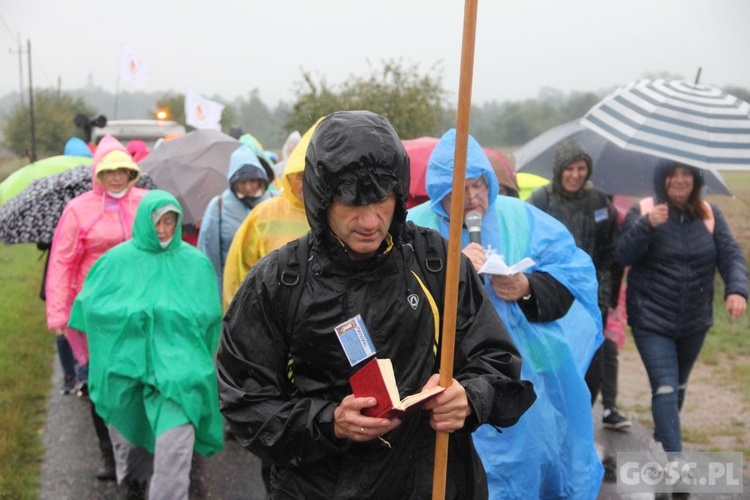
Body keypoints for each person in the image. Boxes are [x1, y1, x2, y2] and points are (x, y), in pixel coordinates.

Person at [216, 110, 536, 499]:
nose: (370, 221)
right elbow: (244, 402)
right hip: (318, 489)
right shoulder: (278, 282)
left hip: (431, 484)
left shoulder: (436, 260)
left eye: (382, 200)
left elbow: (497, 361)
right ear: (321, 199)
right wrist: (328, 421)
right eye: (351, 203)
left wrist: (470, 398)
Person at [408, 129, 604, 499]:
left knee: (528, 471)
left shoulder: (520, 217)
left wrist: (527, 287)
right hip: (444, 381)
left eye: (479, 185)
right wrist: (450, 274)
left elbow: (571, 275)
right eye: (461, 190)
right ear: (439, 192)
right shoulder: (413, 229)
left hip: (523, 378)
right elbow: (393, 300)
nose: (473, 198)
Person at [68, 190, 224, 499]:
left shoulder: (194, 263)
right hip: (128, 369)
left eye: (170, 221)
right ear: (143, 222)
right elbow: (90, 309)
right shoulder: (116, 261)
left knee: (173, 455)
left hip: (179, 374)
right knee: (132, 449)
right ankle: (135, 486)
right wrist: (135, 316)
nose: (163, 230)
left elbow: (209, 316)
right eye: (157, 222)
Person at [616, 160, 748, 454]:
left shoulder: (710, 214)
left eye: (686, 173)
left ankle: (662, 440)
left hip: (695, 320)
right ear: (661, 179)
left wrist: (736, 290)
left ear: (696, 179)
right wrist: (646, 226)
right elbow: (623, 254)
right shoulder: (644, 210)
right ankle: (675, 461)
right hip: (651, 318)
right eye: (672, 174)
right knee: (664, 386)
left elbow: (731, 256)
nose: (679, 180)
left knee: (677, 388)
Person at [46, 134, 147, 481]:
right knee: (100, 382)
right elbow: (61, 262)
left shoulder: (147, 203)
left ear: (132, 172)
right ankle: (110, 456)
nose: (116, 177)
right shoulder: (78, 209)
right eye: (108, 171)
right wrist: (59, 314)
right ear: (98, 174)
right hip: (95, 315)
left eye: (122, 170)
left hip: (140, 312)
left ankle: (140, 451)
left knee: (140, 379)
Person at [527, 139, 631, 430]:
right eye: (569, 168)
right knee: (553, 363)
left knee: (590, 366)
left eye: (581, 168)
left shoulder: (599, 202)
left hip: (589, 297)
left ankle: (579, 420)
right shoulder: (540, 200)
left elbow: (611, 252)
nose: (575, 174)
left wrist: (603, 295)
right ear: (559, 170)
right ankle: (550, 420)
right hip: (548, 296)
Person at [222, 120, 319, 310]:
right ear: (289, 176)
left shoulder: (339, 216)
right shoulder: (263, 215)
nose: (305, 183)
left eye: (312, 174)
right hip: (270, 323)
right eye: (300, 176)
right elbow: (237, 274)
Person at [197, 145, 270, 293]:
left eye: (252, 181)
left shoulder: (272, 202)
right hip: (232, 288)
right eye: (243, 183)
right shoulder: (219, 206)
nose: (248, 187)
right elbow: (208, 251)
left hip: (269, 288)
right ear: (233, 182)